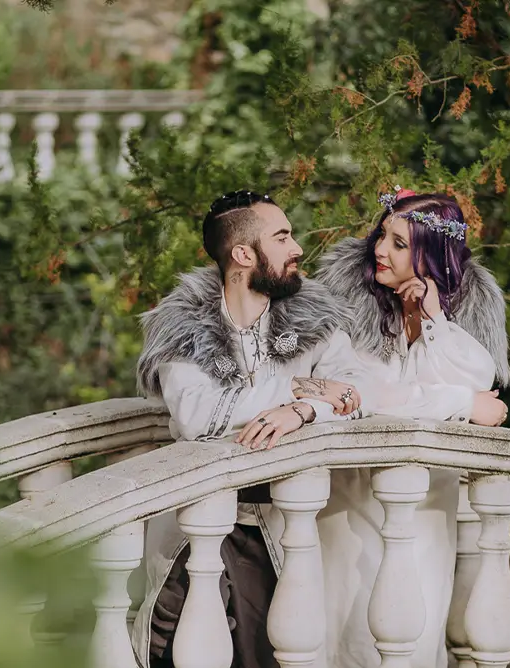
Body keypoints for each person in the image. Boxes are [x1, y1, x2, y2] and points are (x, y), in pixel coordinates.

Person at [131, 190, 371, 668]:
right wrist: (301, 387)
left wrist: (301, 412)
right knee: (178, 644)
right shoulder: (182, 328)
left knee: (272, 649)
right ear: (243, 254)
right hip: (199, 520)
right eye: (282, 237)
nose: (297, 247)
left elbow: (355, 390)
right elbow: (197, 416)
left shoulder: (316, 322)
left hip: (283, 522)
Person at [313, 188, 510, 668]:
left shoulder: (460, 312)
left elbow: (480, 374)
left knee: (417, 631)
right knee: (350, 631)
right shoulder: (347, 305)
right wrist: (460, 403)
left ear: (431, 255)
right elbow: (362, 396)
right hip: (351, 495)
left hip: (427, 503)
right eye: (382, 235)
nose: (380, 249)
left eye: (399, 243)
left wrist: (434, 318)